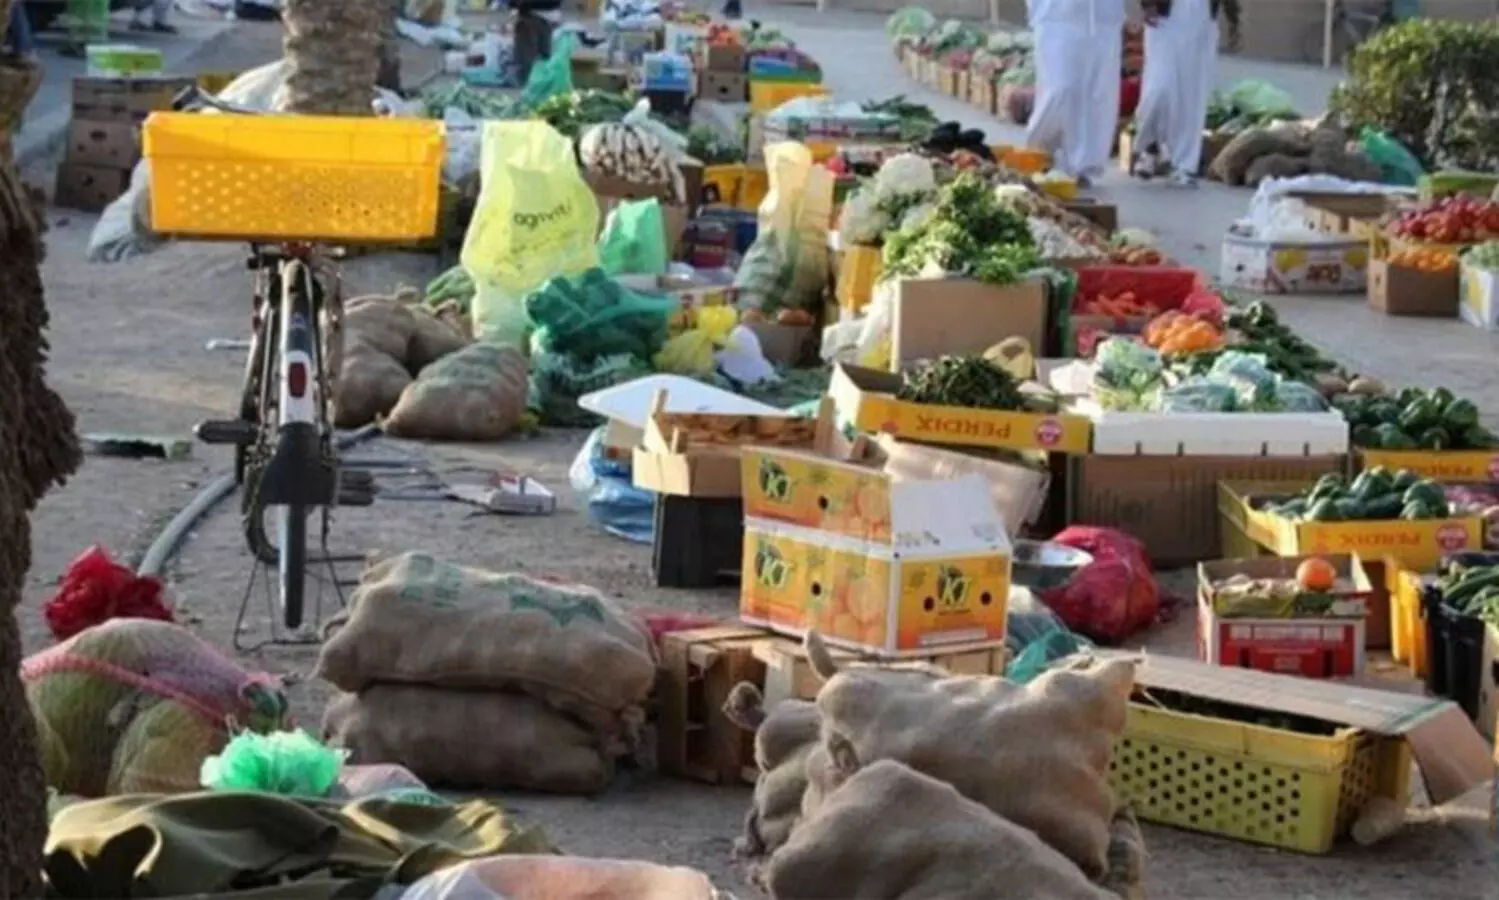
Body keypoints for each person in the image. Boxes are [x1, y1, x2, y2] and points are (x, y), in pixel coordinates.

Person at [1024, 0, 1127, 187]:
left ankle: (1082, 165)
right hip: (1057, 16)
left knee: (1096, 95)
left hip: (1103, 19)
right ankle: (1041, 150)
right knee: (1060, 88)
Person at [1131, 0, 1218, 187]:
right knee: (1158, 90)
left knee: (1191, 95)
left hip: (1200, 17)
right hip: (1164, 18)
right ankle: (1150, 145)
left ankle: (1184, 165)